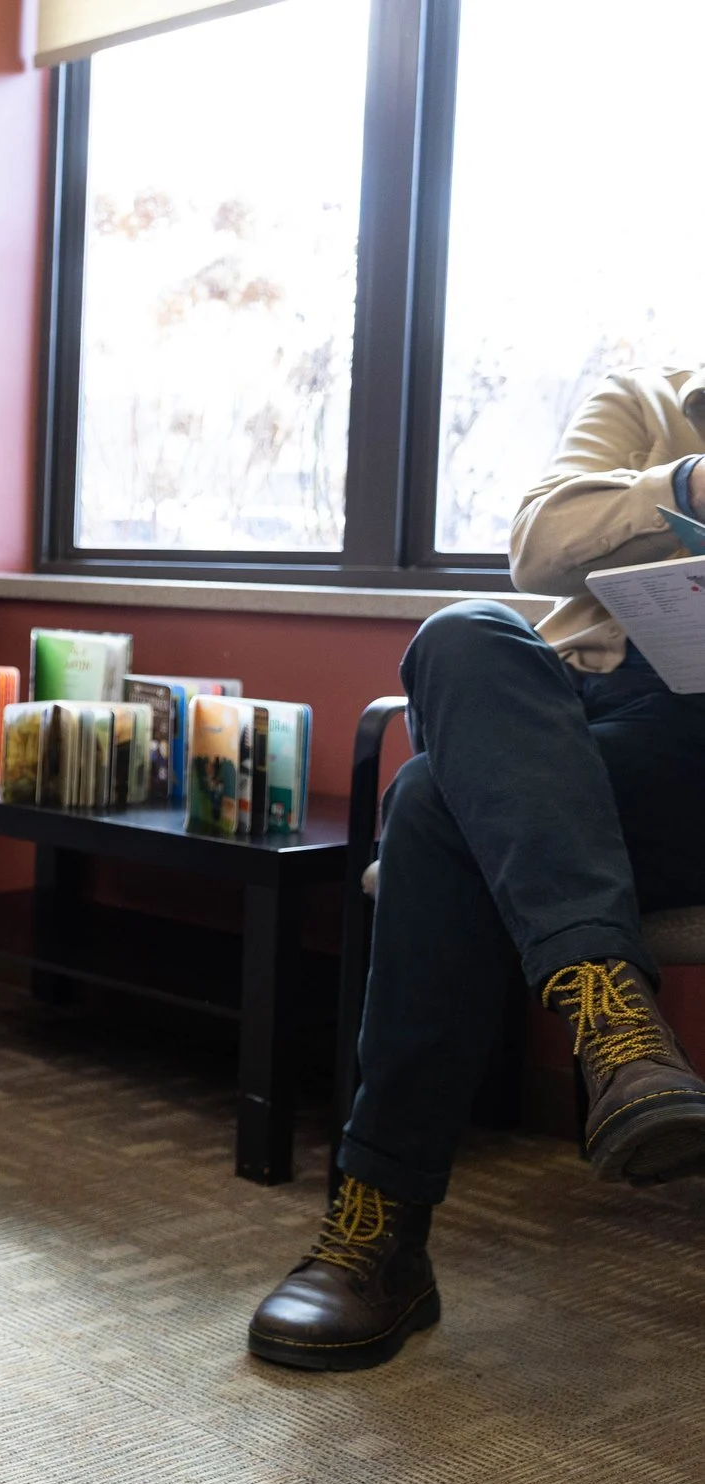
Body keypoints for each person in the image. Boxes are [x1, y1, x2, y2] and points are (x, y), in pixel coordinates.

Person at [246, 365, 705, 1371]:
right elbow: (540, 541)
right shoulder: (646, 399)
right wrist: (687, 487)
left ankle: (378, 1228)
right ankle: (614, 1029)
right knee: (464, 631)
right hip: (563, 728)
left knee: (426, 803)